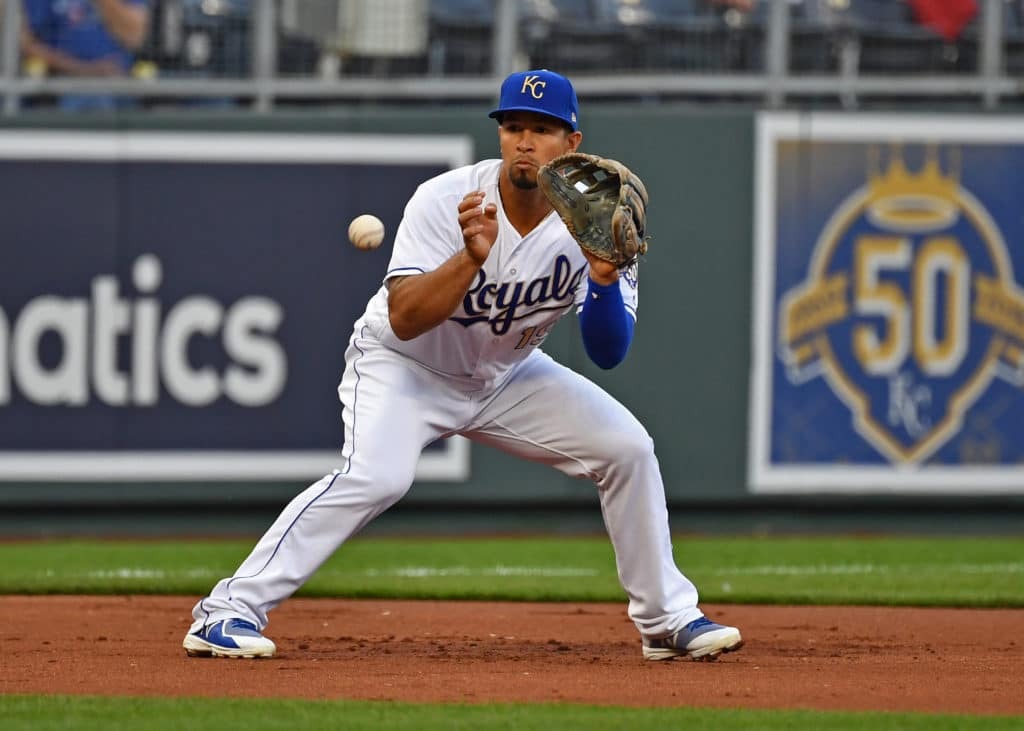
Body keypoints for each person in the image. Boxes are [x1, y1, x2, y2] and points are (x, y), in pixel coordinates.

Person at [182, 69, 744, 663]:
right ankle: (227, 611)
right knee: (376, 477)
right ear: (500, 134)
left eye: (543, 129)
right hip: (403, 367)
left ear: (571, 142)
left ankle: (666, 619)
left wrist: (603, 281)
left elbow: (608, 352)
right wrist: (468, 258)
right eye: (514, 127)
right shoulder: (448, 199)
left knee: (627, 449)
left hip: (506, 374)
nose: (525, 141)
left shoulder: (598, 221)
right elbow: (404, 317)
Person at [20, 0, 151, 111]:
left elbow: (134, 37)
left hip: (121, 81)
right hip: (58, 82)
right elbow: (27, 45)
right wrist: (84, 69)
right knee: (90, 97)